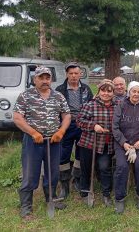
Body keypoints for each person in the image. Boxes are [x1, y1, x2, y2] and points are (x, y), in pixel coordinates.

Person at [13, 66, 71, 218]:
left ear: (51, 79)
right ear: (35, 79)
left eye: (47, 78)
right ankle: (26, 205)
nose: (45, 81)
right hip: (33, 141)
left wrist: (61, 131)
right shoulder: (26, 96)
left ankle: (51, 198)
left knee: (53, 172)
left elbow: (66, 116)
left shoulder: (58, 96)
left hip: (54, 140)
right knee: (30, 172)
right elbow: (18, 118)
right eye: (41, 78)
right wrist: (33, 132)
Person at [112, 81, 139, 213]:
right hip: (122, 144)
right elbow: (115, 127)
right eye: (133, 91)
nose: (136, 94)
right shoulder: (121, 106)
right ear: (129, 92)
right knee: (121, 166)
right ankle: (119, 198)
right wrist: (123, 142)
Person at [55, 62, 94, 199]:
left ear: (80, 74)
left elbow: (91, 106)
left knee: (80, 153)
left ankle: (77, 179)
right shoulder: (60, 90)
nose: (73, 76)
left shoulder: (86, 89)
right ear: (67, 74)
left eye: (76, 73)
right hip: (66, 125)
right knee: (63, 155)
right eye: (70, 73)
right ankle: (64, 184)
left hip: (82, 125)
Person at [76, 79, 116, 207]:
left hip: (106, 144)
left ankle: (106, 193)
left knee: (104, 168)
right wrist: (93, 126)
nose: (106, 94)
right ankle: (85, 191)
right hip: (89, 143)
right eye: (103, 90)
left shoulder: (117, 106)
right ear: (98, 92)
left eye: (109, 91)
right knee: (86, 168)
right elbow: (79, 121)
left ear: (113, 93)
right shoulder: (90, 105)